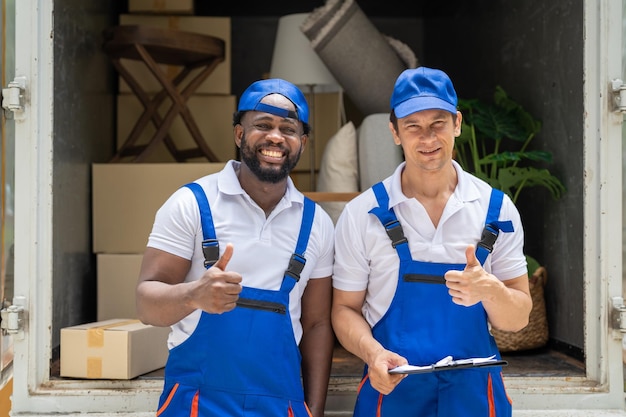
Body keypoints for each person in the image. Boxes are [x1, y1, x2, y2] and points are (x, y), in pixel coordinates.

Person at [331, 67, 533, 417]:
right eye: (413, 126)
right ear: (395, 132)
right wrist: (372, 354)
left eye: (438, 123)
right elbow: (344, 309)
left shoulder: (496, 210)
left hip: (474, 396)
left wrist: (490, 290)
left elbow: (517, 319)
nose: (428, 138)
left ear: (457, 123)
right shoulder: (363, 214)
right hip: (392, 391)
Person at [136, 78, 335, 417]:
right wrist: (192, 296)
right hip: (196, 404)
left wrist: (313, 410)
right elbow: (146, 302)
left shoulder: (317, 223)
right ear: (240, 134)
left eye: (287, 129)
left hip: (280, 404)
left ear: (301, 143)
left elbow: (317, 324)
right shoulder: (191, 204)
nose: (275, 137)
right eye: (263, 125)